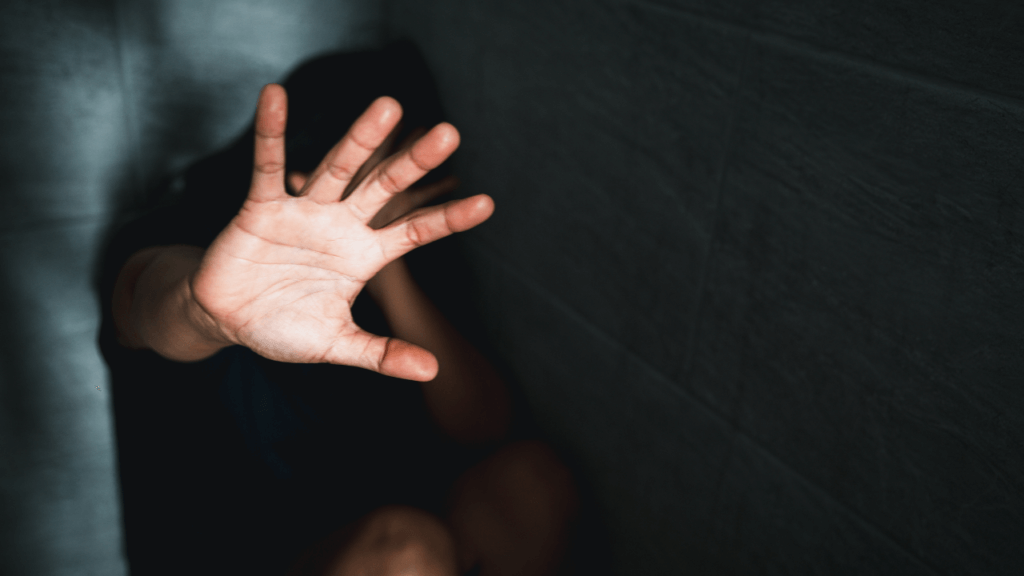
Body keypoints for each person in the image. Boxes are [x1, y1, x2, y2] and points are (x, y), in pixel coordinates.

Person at [98, 42, 576, 576]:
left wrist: (391, 279)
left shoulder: (410, 256)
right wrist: (202, 311)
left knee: (532, 485)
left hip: (377, 517)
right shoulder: (182, 239)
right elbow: (143, 300)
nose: (397, 195)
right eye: (378, 173)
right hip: (233, 548)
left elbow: (485, 429)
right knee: (405, 551)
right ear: (311, 168)